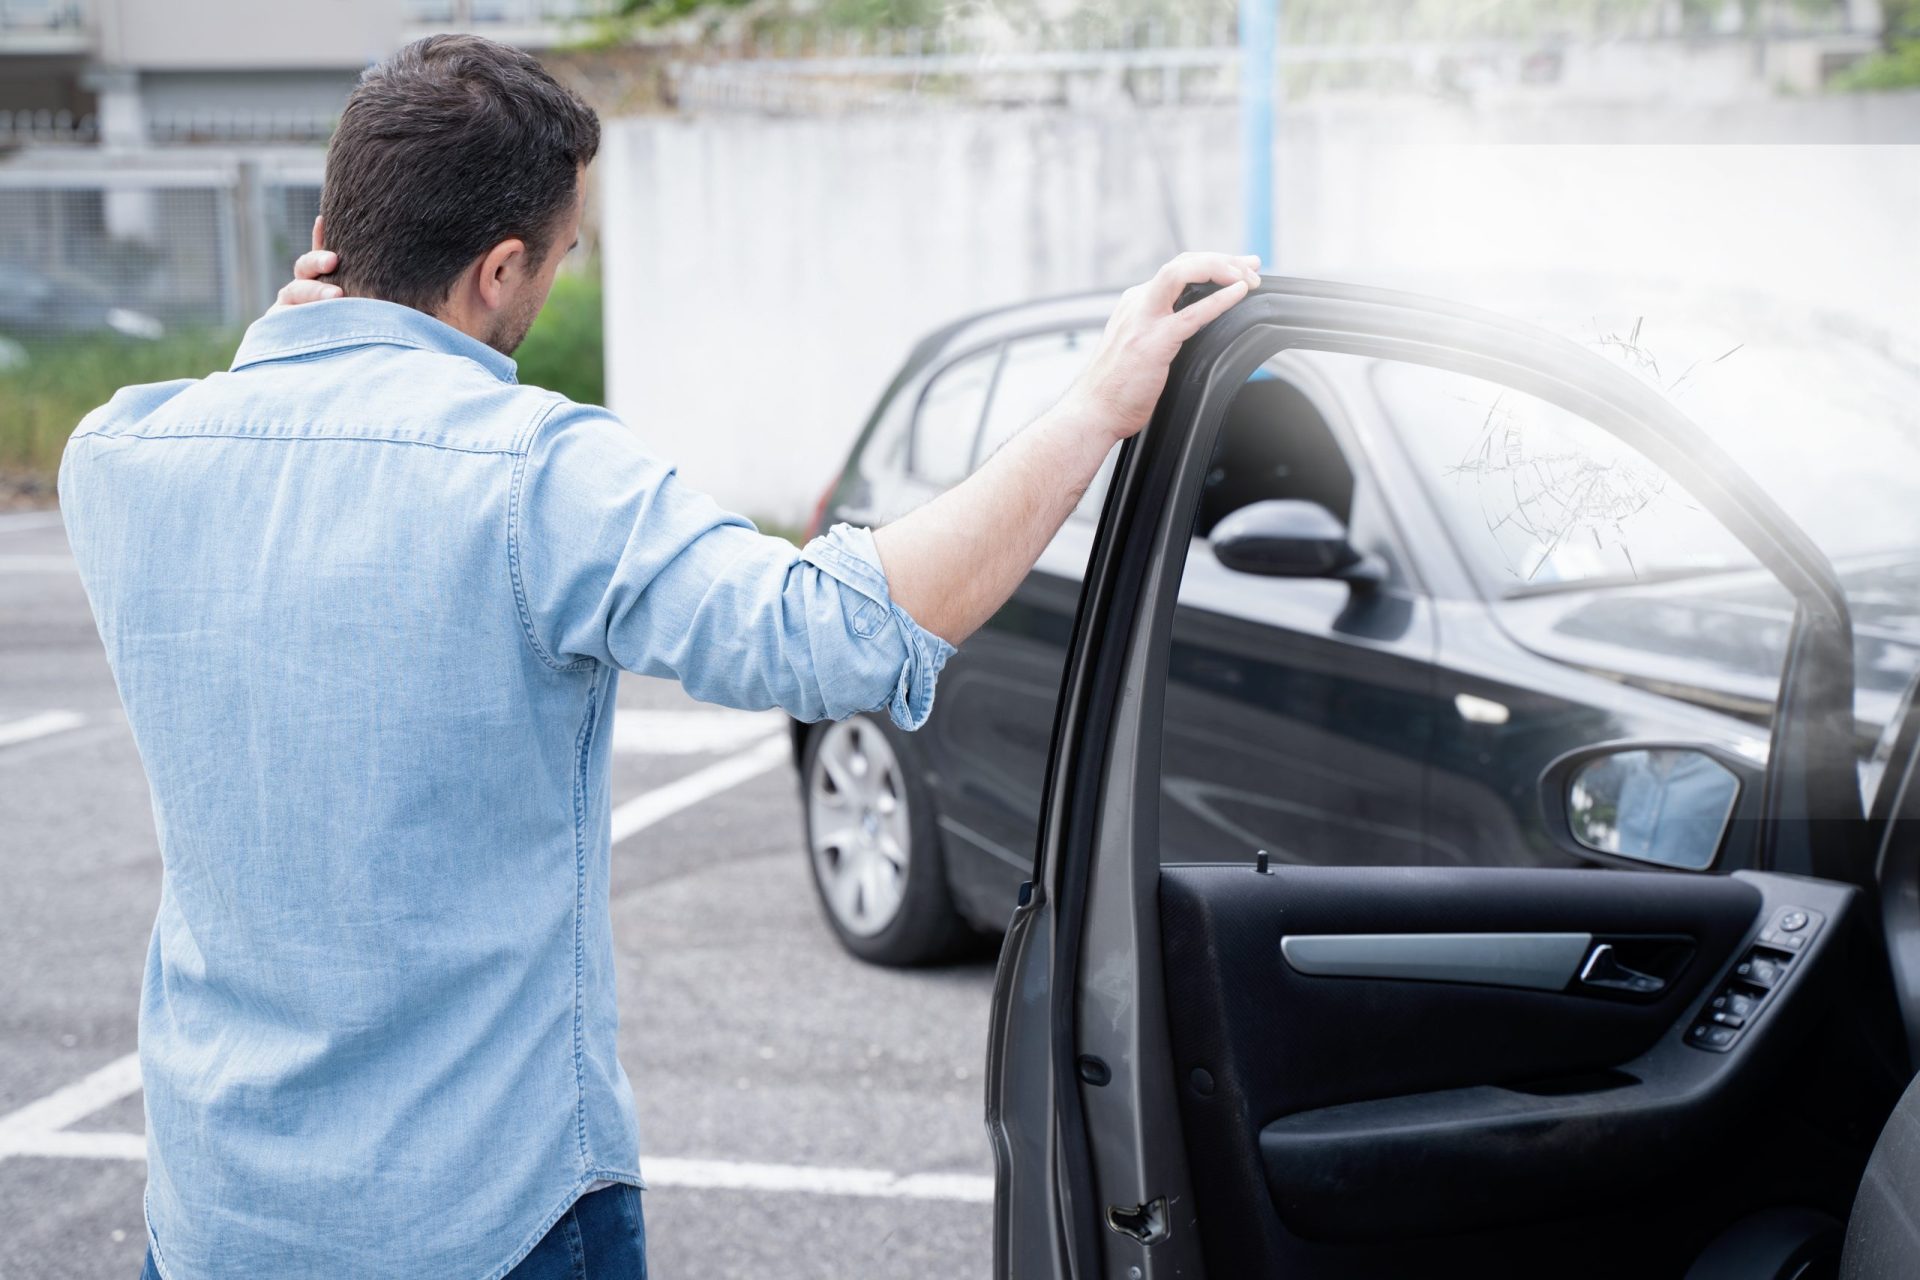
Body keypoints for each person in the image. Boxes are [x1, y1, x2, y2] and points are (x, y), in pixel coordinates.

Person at [59, 32, 1257, 1280]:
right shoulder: (533, 473)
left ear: (332, 228)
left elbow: (262, 416)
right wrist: (1096, 408)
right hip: (486, 1222)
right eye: (559, 260)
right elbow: (832, 630)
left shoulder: (120, 459)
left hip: (212, 1220)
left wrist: (298, 333)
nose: (552, 287)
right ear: (499, 265)